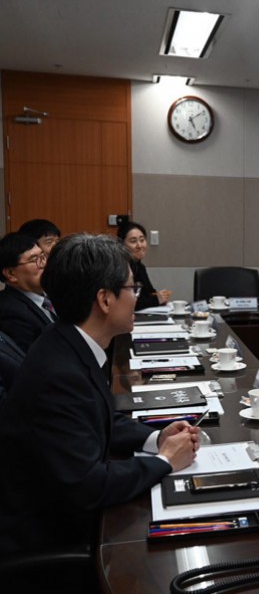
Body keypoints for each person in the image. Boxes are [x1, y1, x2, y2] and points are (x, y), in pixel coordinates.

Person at [0, 234, 199, 554]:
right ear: (105, 300)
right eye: (132, 288)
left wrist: (156, 437)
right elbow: (86, 485)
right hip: (50, 537)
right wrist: (165, 461)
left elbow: (97, 417)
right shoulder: (60, 375)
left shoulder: (67, 341)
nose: (136, 297)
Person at [0, 232, 54, 351]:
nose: (44, 264)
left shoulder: (53, 293)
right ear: (11, 274)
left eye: (43, 256)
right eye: (35, 260)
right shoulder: (10, 313)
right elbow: (32, 359)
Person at [117, 221, 172, 311]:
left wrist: (160, 296)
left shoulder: (140, 267)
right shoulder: (119, 268)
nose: (139, 245)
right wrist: (156, 299)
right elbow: (126, 302)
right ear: (122, 245)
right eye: (133, 241)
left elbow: (149, 292)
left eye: (142, 240)